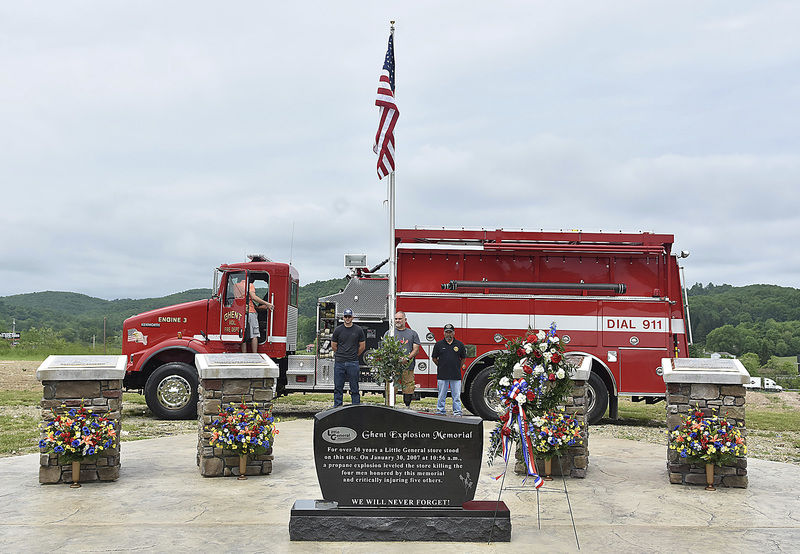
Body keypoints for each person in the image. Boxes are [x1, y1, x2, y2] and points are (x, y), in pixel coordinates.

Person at [384, 311, 420, 408]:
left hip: (408, 367)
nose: (397, 320)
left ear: (405, 320)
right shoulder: (389, 333)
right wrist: (394, 359)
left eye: (400, 318)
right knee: (391, 389)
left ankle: (407, 407)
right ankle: (390, 409)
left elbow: (416, 349)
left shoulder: (412, 333)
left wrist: (407, 358)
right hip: (393, 368)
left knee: (408, 388)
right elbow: (385, 349)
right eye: (396, 319)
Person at [331, 308, 366, 407]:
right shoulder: (338, 330)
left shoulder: (358, 330)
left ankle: (355, 408)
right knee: (338, 387)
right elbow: (333, 345)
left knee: (354, 387)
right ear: (343, 317)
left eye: (349, 316)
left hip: (353, 362)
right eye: (345, 316)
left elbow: (362, 346)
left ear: (352, 317)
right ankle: (337, 408)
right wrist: (341, 354)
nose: (347, 318)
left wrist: (354, 355)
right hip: (339, 362)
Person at [432, 323, 466, 416]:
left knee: (456, 396)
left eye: (450, 332)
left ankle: (457, 412)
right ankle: (440, 411)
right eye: (446, 332)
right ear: (444, 333)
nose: (448, 334)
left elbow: (463, 358)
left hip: (456, 375)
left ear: (454, 333)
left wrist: (458, 366)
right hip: (442, 375)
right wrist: (441, 366)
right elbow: (434, 358)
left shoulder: (459, 344)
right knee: (441, 396)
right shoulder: (439, 344)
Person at [235, 278, 273, 353]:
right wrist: (267, 304)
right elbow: (253, 297)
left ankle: (244, 354)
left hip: (240, 313)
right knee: (254, 335)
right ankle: (254, 354)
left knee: (243, 335)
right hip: (251, 312)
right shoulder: (250, 285)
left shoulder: (236, 286)